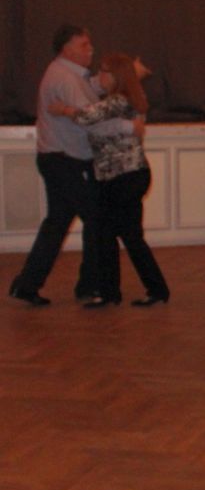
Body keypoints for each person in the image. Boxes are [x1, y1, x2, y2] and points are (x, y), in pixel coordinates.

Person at [9, 25, 139, 306]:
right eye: (84, 45)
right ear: (66, 49)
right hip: (65, 161)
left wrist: (129, 75)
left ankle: (29, 285)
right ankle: (90, 284)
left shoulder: (70, 75)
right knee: (97, 218)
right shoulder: (65, 78)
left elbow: (92, 89)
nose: (91, 49)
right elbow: (91, 118)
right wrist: (130, 126)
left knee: (58, 223)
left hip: (60, 159)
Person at [50, 53, 170, 308]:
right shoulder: (123, 99)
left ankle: (151, 290)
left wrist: (63, 109)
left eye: (104, 71)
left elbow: (87, 116)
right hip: (119, 176)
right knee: (109, 234)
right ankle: (114, 292)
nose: (99, 76)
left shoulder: (119, 100)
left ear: (116, 76)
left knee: (126, 235)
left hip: (125, 176)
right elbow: (98, 117)